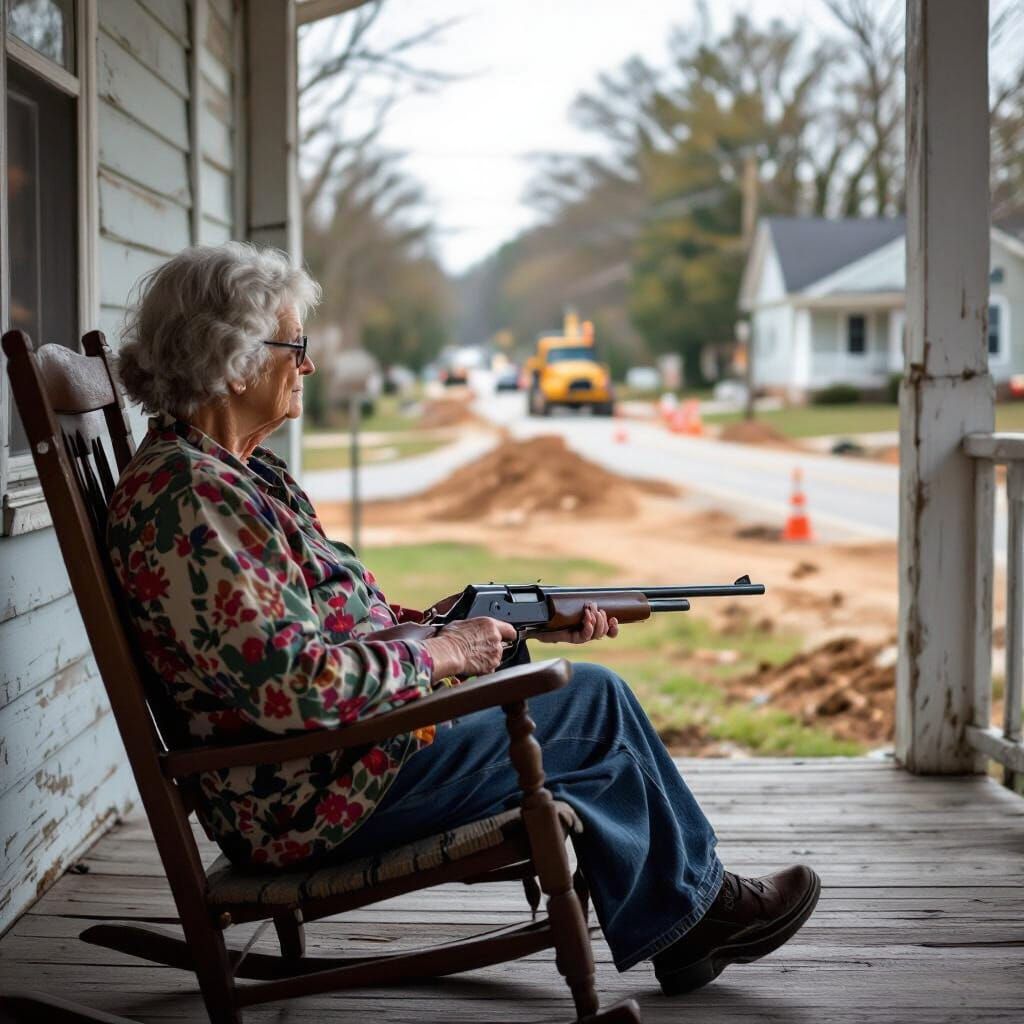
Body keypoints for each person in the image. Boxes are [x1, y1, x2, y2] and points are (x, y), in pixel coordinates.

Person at [106, 242, 819, 996]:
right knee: (591, 705)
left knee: (573, 707)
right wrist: (446, 654)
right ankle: (697, 912)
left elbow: (325, 631)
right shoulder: (195, 502)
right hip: (314, 797)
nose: (307, 365)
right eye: (296, 346)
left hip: (348, 757)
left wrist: (482, 629)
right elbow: (297, 686)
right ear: (234, 361)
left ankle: (688, 917)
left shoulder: (239, 476)